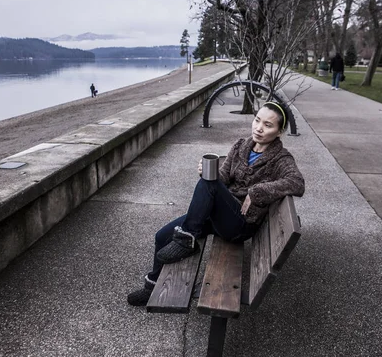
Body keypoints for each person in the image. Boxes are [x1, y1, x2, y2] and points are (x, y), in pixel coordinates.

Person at [127, 101, 305, 306]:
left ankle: (187, 239)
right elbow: (221, 178)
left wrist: (257, 192)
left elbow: (297, 183)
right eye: (257, 120)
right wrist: (207, 172)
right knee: (162, 236)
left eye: (268, 125)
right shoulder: (241, 146)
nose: (259, 128)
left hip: (241, 224)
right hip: (219, 215)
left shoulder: (281, 159)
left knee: (208, 186)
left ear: (280, 131)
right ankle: (152, 286)